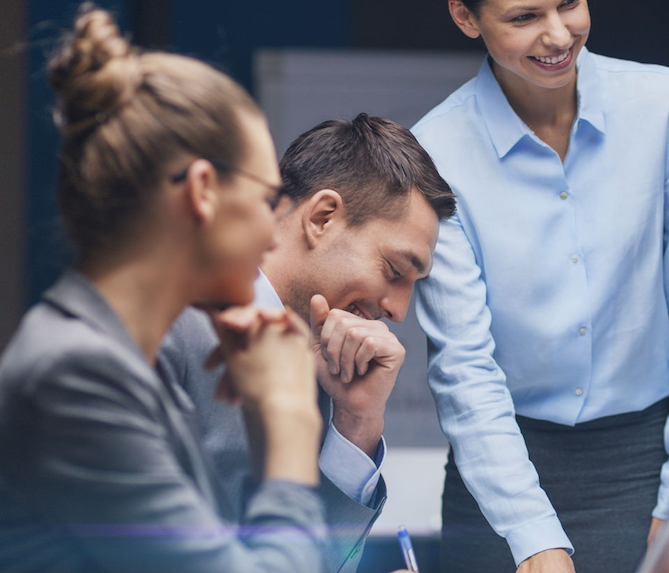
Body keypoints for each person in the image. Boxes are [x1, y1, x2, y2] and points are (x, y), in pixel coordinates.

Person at [412, 0, 669, 572]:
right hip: (498, 467)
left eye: (571, 1)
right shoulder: (435, 152)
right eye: (524, 17)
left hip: (646, 464)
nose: (560, 35)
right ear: (465, 16)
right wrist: (531, 534)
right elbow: (463, 365)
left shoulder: (662, 105)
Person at [0, 4, 325, 571]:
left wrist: (267, 421)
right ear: (202, 190)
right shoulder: (77, 376)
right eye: (268, 199)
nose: (273, 232)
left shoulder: (119, 365)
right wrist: (292, 413)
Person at [158, 113, 456, 572]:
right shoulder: (166, 326)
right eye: (394, 270)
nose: (399, 310)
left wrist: (357, 423)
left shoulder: (321, 370)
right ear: (322, 218)